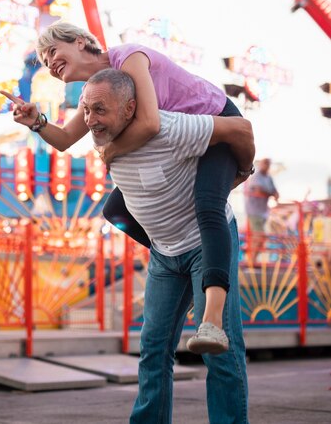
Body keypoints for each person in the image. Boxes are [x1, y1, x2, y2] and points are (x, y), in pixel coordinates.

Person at [1, 21, 255, 353]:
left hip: (215, 125)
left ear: (80, 42)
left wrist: (111, 151)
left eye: (52, 52)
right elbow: (64, 140)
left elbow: (148, 124)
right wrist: (36, 121)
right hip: (181, 142)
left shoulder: (129, 58)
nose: (49, 64)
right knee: (116, 209)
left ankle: (212, 317)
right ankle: (179, 261)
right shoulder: (101, 90)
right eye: (45, 62)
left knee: (207, 205)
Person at [82, 68, 253, 424]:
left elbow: (239, 129)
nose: (89, 119)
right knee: (153, 349)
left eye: (99, 109)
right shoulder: (106, 143)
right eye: (86, 109)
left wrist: (241, 171)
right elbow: (116, 206)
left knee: (220, 351)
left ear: (130, 108)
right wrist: (38, 121)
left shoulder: (170, 128)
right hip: (165, 256)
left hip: (207, 244)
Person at [244, 158, 279, 262]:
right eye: (265, 163)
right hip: (254, 211)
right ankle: (251, 260)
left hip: (262, 212)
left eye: (268, 164)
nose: (266, 166)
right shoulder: (256, 176)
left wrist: (271, 193)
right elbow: (260, 191)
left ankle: (252, 259)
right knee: (259, 235)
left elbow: (275, 192)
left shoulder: (268, 178)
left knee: (260, 236)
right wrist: (271, 193)